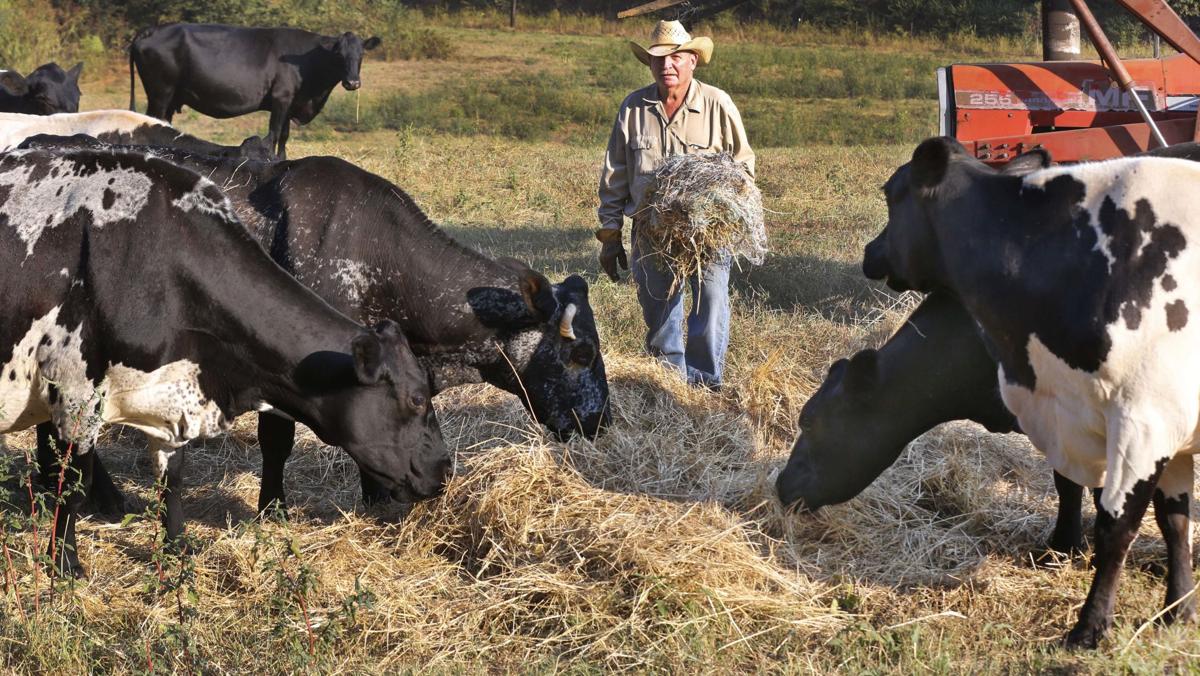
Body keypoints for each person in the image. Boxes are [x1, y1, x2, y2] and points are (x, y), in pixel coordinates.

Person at [596, 20, 755, 389]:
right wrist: (609, 235)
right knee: (659, 309)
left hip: (709, 231)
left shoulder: (717, 104)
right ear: (649, 65)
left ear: (693, 61)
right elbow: (615, 175)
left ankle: (703, 385)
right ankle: (668, 385)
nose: (667, 65)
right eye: (658, 59)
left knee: (711, 303)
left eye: (676, 57)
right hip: (650, 230)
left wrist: (727, 204)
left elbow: (743, 164)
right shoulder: (633, 108)